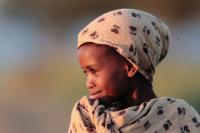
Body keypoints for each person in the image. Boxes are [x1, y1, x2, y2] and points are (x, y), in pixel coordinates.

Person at [68, 8, 200, 133]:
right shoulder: (86, 118)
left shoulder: (177, 116)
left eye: (94, 71)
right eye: (86, 73)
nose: (89, 83)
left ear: (130, 67)